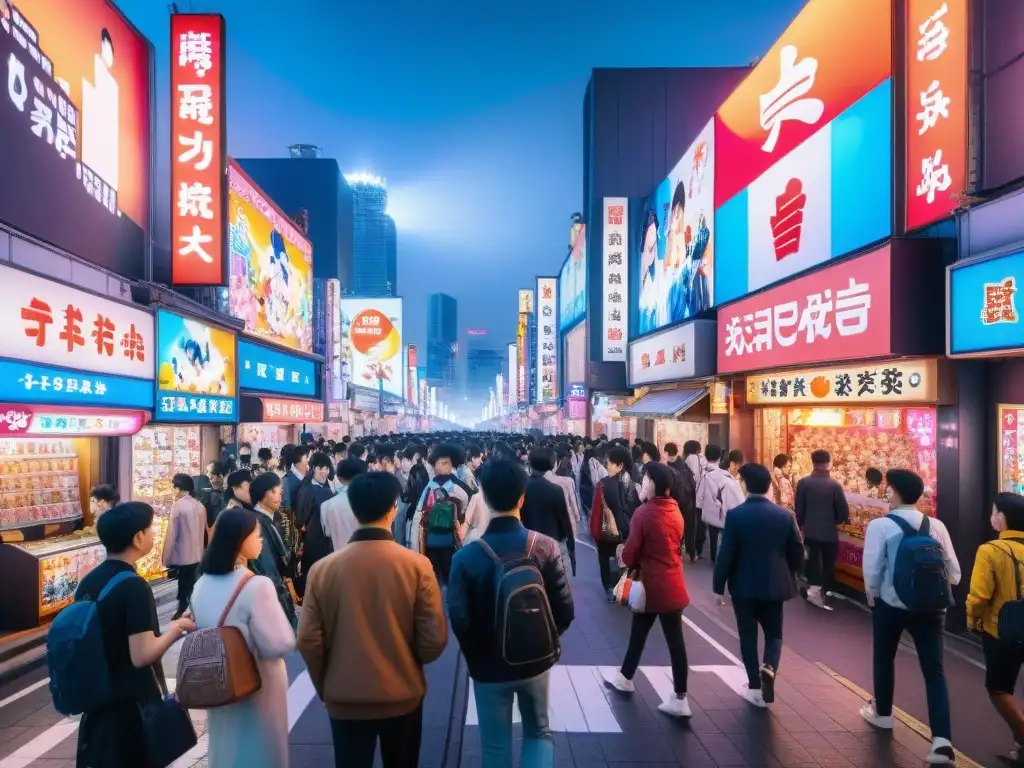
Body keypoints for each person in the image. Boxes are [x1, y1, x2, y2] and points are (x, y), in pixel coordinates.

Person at [298, 472, 447, 768]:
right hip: (403, 693)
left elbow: (308, 640)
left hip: (345, 697)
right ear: (393, 508)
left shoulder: (323, 570)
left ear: (353, 509)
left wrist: (326, 686)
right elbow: (433, 641)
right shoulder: (417, 566)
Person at [448, 458, 574, 767]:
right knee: (539, 732)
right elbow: (564, 610)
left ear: (485, 497)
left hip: (488, 668)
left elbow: (460, 618)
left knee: (495, 746)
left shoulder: (465, 557)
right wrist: (540, 638)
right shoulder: (545, 547)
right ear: (522, 497)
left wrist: (478, 655)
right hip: (535, 661)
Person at [75, 502, 195, 767]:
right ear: (138, 538)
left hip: (97, 704)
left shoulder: (89, 581)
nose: (153, 535)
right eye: (150, 530)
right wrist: (177, 629)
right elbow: (142, 655)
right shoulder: (134, 587)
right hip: (130, 708)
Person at [860, 469, 960, 764]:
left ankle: (883, 714)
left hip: (891, 606)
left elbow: (872, 572)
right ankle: (942, 742)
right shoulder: (936, 526)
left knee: (884, 657)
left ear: (892, 492)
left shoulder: (880, 526)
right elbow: (954, 573)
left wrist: (873, 598)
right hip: (932, 609)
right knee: (934, 671)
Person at [190, 507, 296, 768]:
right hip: (258, 684)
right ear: (240, 540)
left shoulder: (201, 584)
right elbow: (279, 642)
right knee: (259, 751)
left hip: (218, 682)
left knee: (227, 750)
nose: (260, 540)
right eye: (255, 535)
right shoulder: (256, 585)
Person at [603, 462, 691, 717]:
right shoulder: (676, 511)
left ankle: (627, 679)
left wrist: (626, 557)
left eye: (646, 479)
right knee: (674, 642)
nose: (643, 483)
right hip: (673, 585)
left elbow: (630, 555)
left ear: (655, 484)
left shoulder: (644, 513)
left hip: (651, 585)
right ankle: (679, 696)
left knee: (640, 635)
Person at [712, 463, 804, 707]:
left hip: (743, 586)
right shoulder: (785, 516)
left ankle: (754, 687)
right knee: (774, 634)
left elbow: (726, 555)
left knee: (748, 636)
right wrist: (790, 572)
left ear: (745, 484)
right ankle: (770, 666)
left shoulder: (736, 516)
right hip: (775, 585)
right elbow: (798, 549)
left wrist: (718, 588)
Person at [967, 492, 1024, 762]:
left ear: (1001, 518)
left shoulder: (990, 550)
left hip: (1002, 630)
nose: (991, 517)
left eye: (993, 512)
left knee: (1000, 689)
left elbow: (979, 597)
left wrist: (972, 620)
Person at [795, 450, 851, 610]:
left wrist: (801, 525)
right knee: (828, 562)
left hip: (810, 531)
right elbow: (843, 512)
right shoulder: (834, 485)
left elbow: (799, 509)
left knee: (813, 562)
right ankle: (825, 591)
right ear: (829, 464)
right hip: (829, 532)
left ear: (813, 463)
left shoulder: (804, 483)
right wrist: (837, 521)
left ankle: (813, 590)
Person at [411, 443, 472, 585]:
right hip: (441, 543)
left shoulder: (453, 487)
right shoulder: (432, 487)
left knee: (444, 580)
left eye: (447, 463)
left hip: (446, 543)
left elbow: (418, 517)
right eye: (440, 463)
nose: (444, 466)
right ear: (434, 465)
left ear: (452, 464)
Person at [248, 472, 298, 628]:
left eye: (280, 491)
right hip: (271, 591)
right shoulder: (258, 522)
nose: (279, 496)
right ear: (261, 494)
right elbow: (266, 566)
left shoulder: (269, 517)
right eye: (273, 491)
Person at [522, 448, 576, 577]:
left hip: (526, 544)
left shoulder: (521, 487)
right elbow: (565, 522)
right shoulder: (555, 490)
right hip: (551, 545)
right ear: (552, 464)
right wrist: (571, 547)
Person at [590, 445, 632, 600]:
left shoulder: (606, 484)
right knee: (624, 559)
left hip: (608, 530)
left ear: (619, 465)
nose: (606, 466)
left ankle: (609, 588)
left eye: (609, 463)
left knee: (605, 558)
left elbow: (604, 509)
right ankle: (623, 588)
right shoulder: (633, 482)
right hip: (627, 531)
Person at [162, 473, 207, 620]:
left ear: (179, 488)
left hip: (184, 556)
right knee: (194, 585)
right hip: (199, 555)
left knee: (184, 586)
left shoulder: (178, 506)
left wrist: (166, 557)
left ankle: (182, 612)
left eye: (174, 488)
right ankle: (196, 612)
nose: (173, 491)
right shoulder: (200, 506)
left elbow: (172, 534)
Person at [295, 452, 336, 593]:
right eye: (320, 468)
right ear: (313, 468)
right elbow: (300, 518)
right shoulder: (306, 489)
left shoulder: (328, 488)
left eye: (327, 468)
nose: (324, 472)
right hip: (313, 540)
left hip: (327, 541)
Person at [696, 445, 744, 564]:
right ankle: (722, 556)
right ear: (720, 458)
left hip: (710, 509)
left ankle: (714, 558)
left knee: (713, 534)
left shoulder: (705, 474)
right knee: (724, 534)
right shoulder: (725, 475)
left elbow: (699, 496)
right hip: (723, 509)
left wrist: (700, 507)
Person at [320, 458, 367, 550]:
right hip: (367, 557)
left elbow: (327, 533)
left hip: (339, 557)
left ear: (340, 478)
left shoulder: (327, 505)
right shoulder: (373, 501)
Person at [680, 441, 707, 561]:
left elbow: (694, 477)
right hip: (696, 496)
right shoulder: (697, 458)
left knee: (689, 525)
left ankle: (690, 551)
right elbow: (696, 477)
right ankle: (694, 551)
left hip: (689, 496)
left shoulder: (688, 458)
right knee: (694, 525)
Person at [199, 461, 228, 528]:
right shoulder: (204, 491)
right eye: (207, 472)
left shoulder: (227, 495)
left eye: (210, 472)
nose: (207, 475)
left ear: (220, 476)